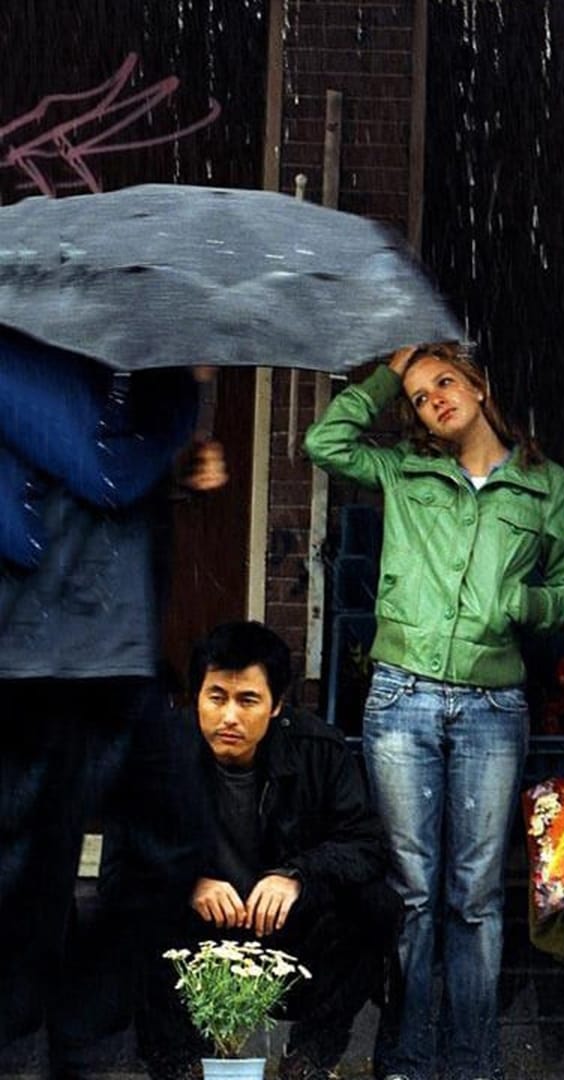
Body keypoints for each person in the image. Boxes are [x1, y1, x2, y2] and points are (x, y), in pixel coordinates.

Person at [304, 342, 564, 1080]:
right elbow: (323, 443)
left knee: (475, 896)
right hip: (401, 699)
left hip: (493, 706)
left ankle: (473, 1062)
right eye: (420, 395)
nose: (434, 399)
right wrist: (385, 376)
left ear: (479, 385)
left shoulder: (543, 484)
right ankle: (404, 1057)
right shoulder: (404, 469)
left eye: (445, 382)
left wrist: (523, 603)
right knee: (411, 892)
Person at [0, 334, 223, 1070]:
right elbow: (99, 470)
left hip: (119, 663)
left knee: (177, 843)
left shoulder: (121, 388)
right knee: (29, 881)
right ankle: (29, 1041)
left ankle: (77, 1024)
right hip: (36, 665)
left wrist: (174, 467)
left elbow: (108, 480)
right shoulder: (21, 358)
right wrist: (176, 402)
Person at [134, 621, 399, 1080]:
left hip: (289, 937)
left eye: (247, 700)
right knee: (135, 907)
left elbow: (367, 845)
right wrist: (188, 881)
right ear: (196, 697)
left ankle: (309, 1060)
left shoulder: (318, 748)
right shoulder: (161, 754)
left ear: (276, 705)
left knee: (377, 905)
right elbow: (124, 858)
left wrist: (296, 876)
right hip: (197, 937)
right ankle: (179, 1064)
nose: (229, 717)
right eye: (216, 697)